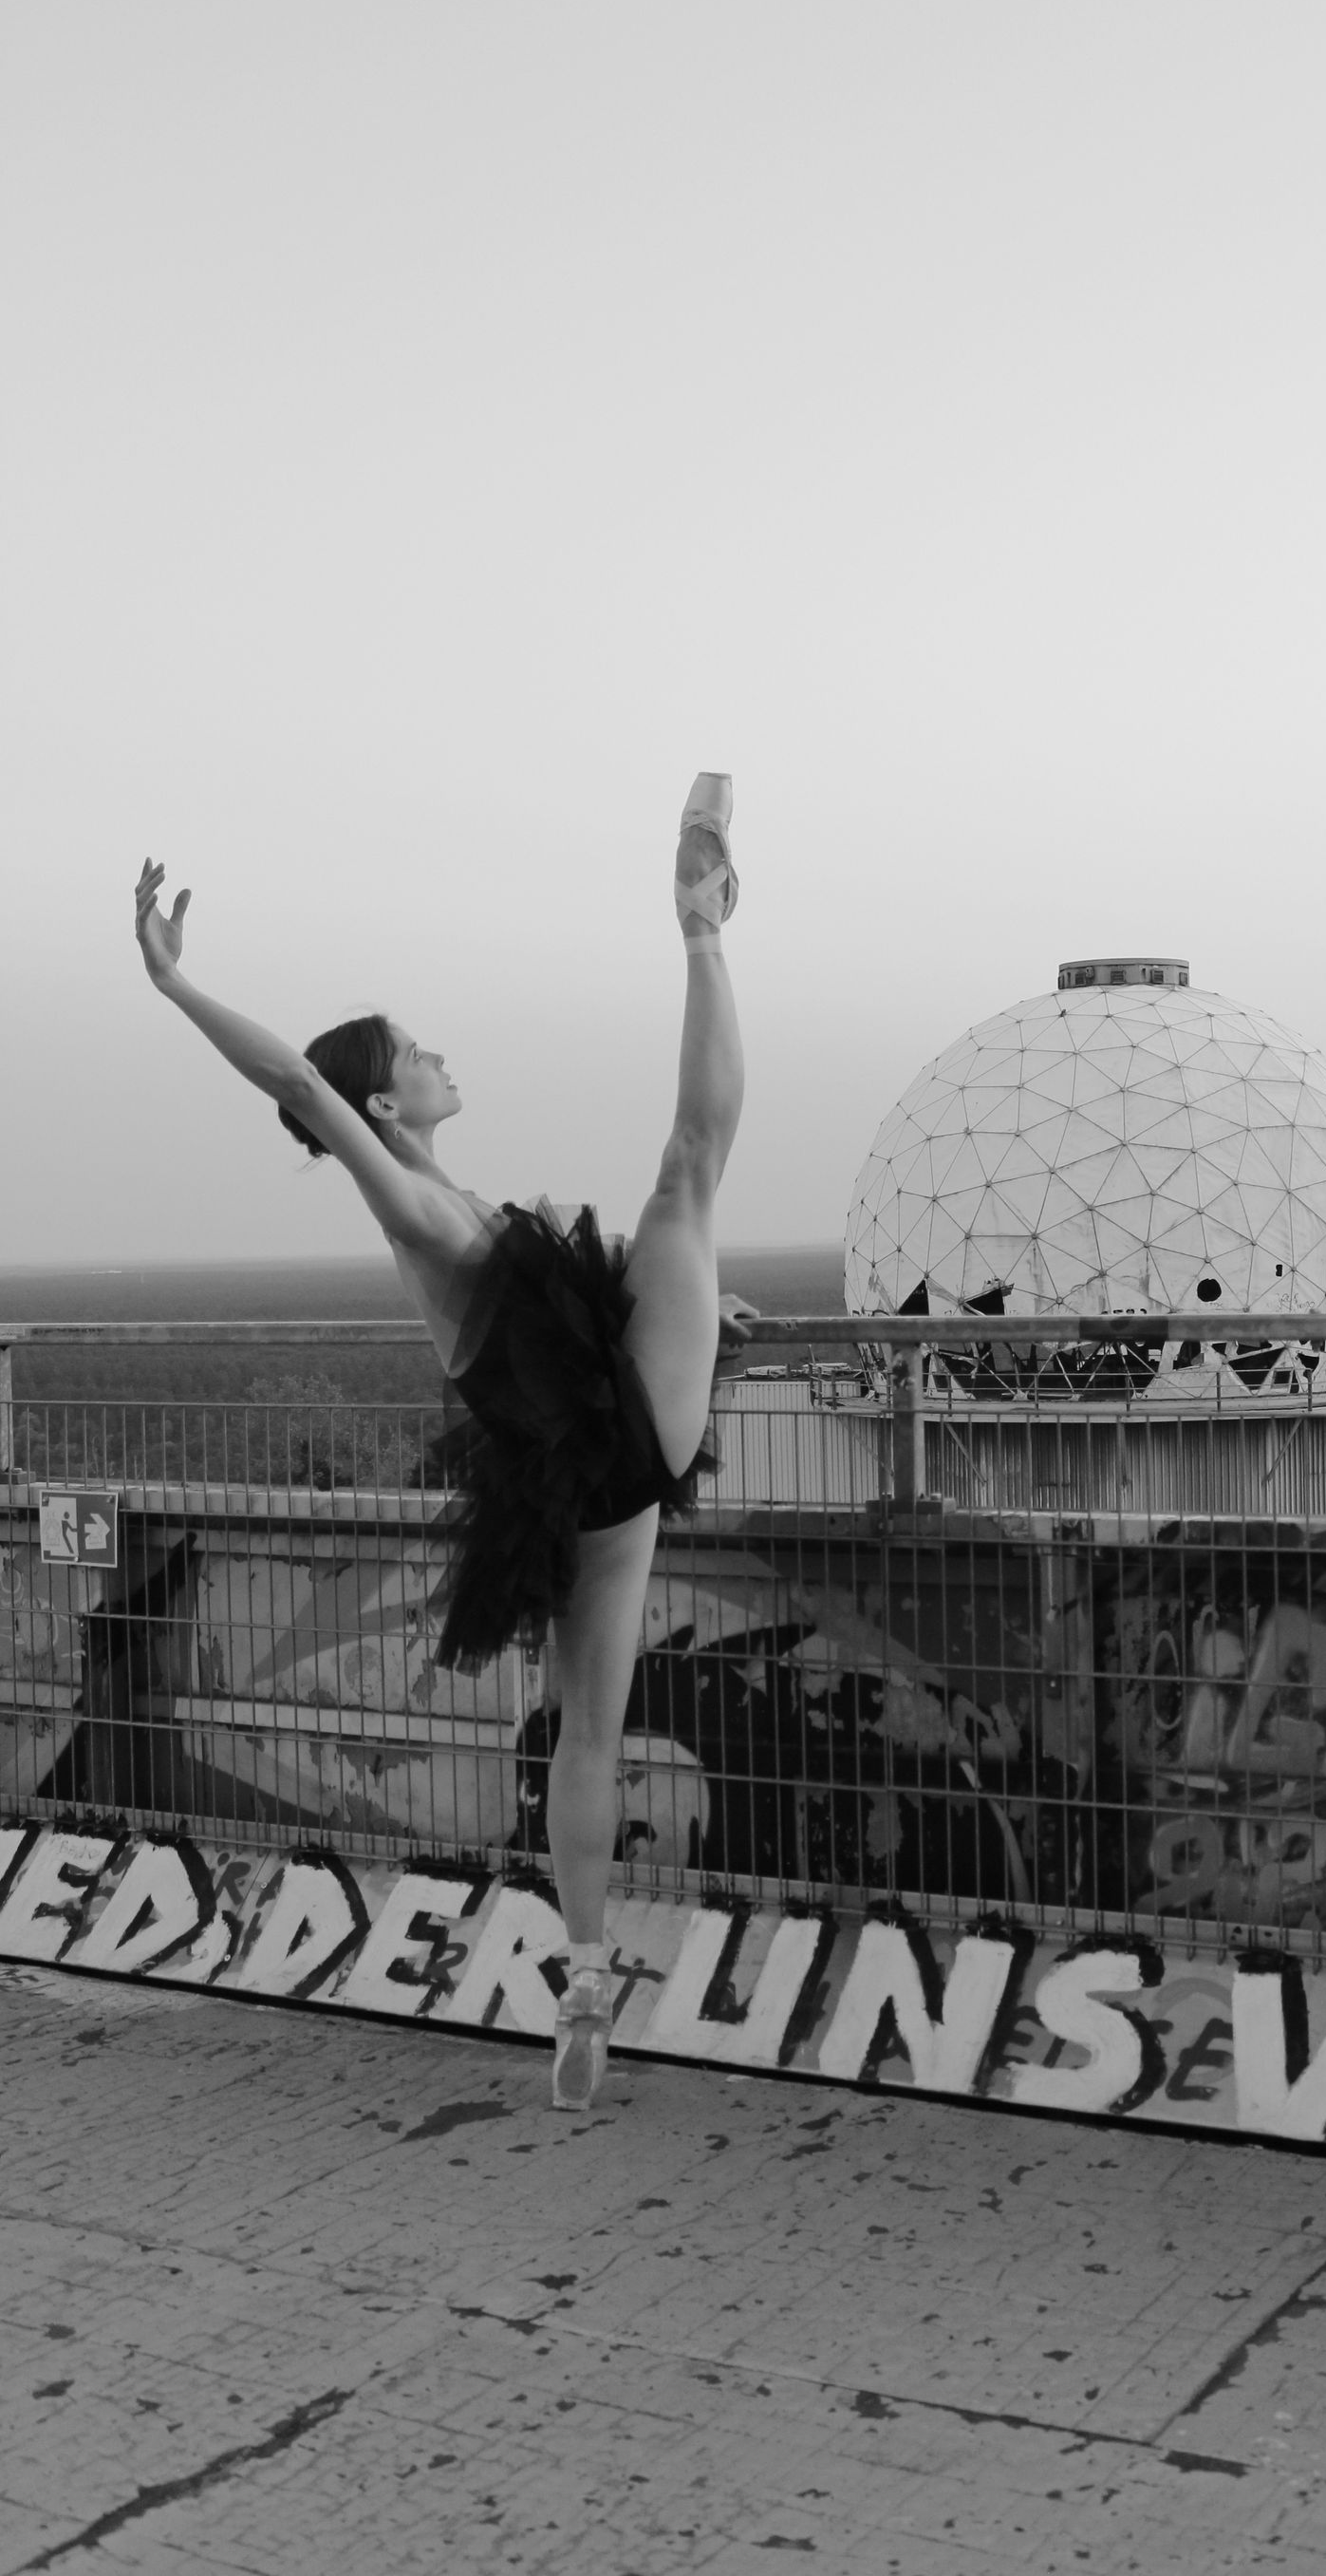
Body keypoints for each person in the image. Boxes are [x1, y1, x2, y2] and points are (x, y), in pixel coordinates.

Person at [133, 777, 748, 2110]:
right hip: (632, 1433)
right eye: (415, 1050)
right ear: (382, 1101)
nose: (438, 1055)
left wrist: (694, 1311)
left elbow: (561, 1320)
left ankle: (585, 1983)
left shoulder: (449, 1203)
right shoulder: (411, 1206)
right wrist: (177, 986)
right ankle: (702, 924)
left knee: (589, 1735)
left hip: (583, 1476)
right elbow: (298, 1078)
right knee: (687, 1170)